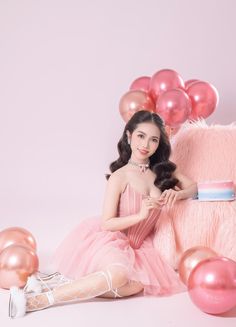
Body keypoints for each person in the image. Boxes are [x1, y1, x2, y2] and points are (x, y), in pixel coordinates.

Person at [9, 110, 198, 318]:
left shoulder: (164, 171)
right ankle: (37, 300)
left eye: (153, 140)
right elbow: (107, 223)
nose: (146, 145)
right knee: (118, 276)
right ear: (129, 136)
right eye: (140, 136)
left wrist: (177, 194)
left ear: (159, 143)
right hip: (115, 239)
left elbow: (194, 188)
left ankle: (48, 282)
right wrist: (140, 216)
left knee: (136, 286)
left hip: (143, 247)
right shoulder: (120, 176)